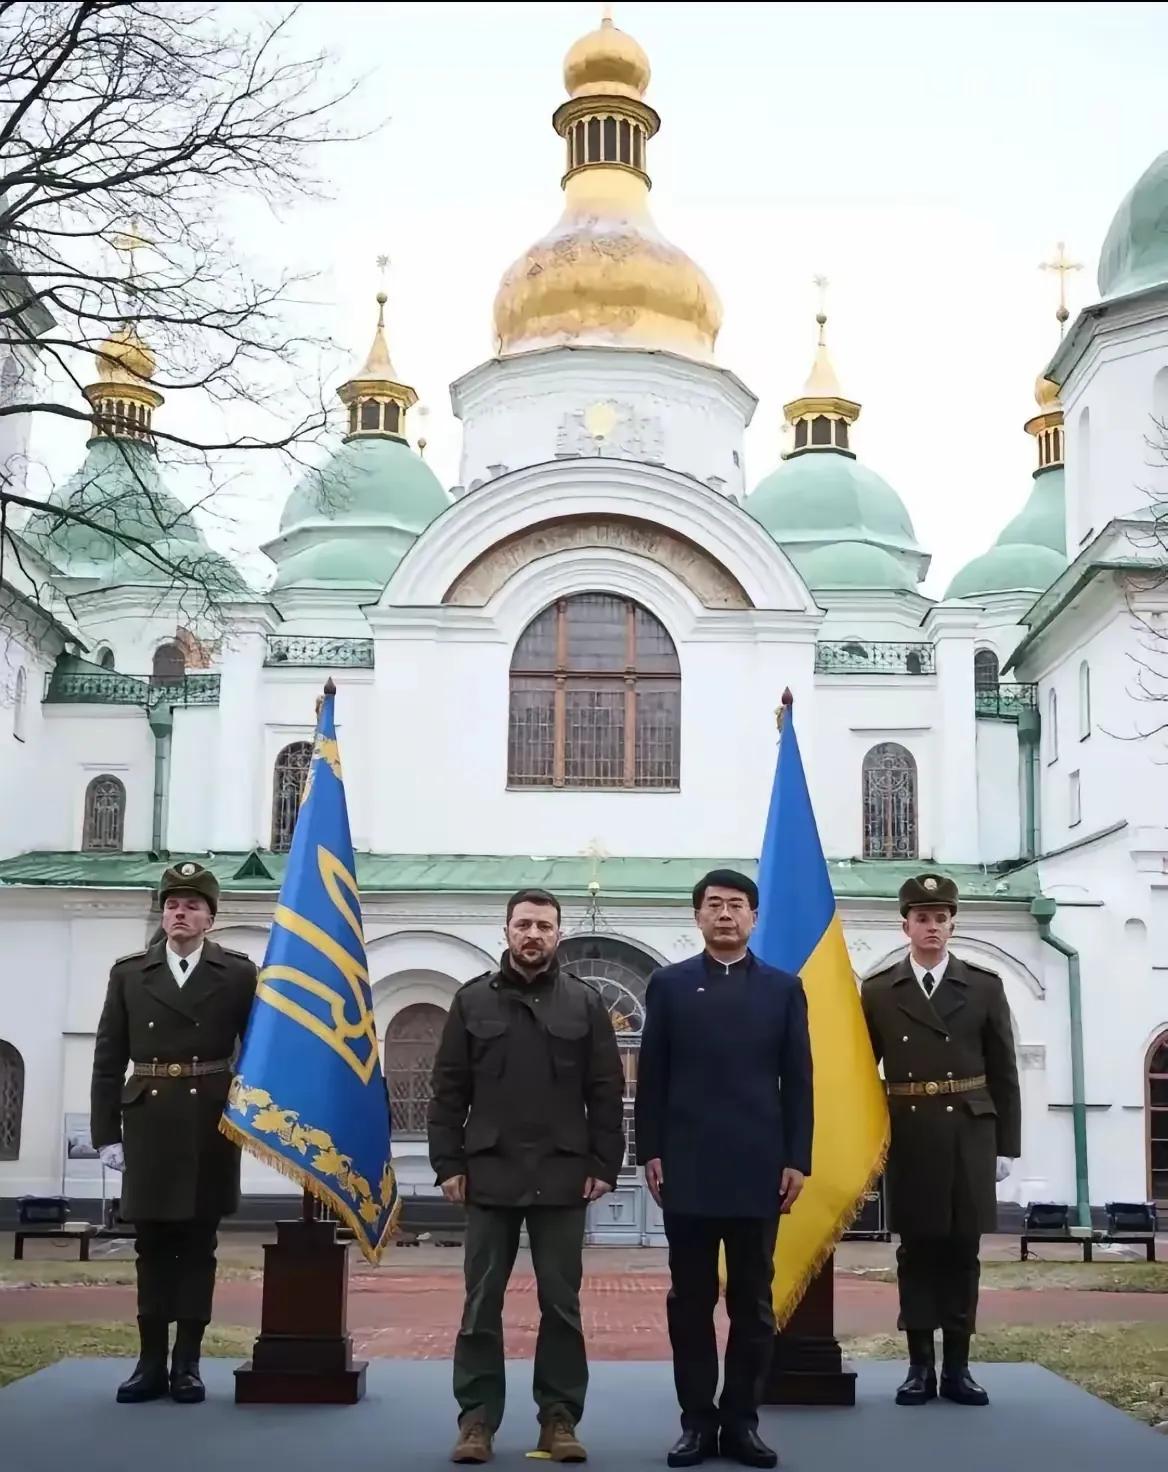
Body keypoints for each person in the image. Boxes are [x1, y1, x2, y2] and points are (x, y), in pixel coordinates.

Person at [428, 888, 625, 1465]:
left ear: (558, 934)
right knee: (480, 1303)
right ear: (506, 932)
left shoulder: (584, 1004)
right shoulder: (471, 1003)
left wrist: (604, 1165)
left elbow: (606, 1091)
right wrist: (447, 1164)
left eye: (543, 925)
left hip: (563, 1176)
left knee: (561, 1306)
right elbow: (448, 1092)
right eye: (523, 925)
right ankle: (477, 1422)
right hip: (488, 1174)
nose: (532, 934)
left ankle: (559, 1420)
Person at [635, 869, 814, 1470]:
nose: (725, 915)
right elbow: (652, 1076)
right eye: (714, 905)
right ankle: (695, 1423)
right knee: (689, 1301)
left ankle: (740, 1422)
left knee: (752, 1304)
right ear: (698, 916)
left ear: (754, 918)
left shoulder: (783, 989)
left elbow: (800, 1083)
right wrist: (649, 1149)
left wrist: (797, 1157)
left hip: (759, 1169)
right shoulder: (669, 985)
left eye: (737, 905)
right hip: (684, 1167)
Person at [90, 861, 257, 1405]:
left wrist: (255, 1120)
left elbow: (256, 1052)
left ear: (211, 917)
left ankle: (188, 1363)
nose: (179, 914)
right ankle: (148, 1364)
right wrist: (106, 1133)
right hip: (149, 1122)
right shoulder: (129, 973)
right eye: (171, 905)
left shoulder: (236, 973)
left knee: (198, 1245)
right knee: (152, 1245)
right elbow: (108, 1058)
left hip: (209, 1119)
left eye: (191, 906)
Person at [861, 872, 1021, 1408]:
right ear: (905, 924)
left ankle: (958, 1368)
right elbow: (864, 1071)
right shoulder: (880, 990)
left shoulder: (983, 985)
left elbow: (1004, 1070)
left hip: (970, 1132)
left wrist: (1006, 1145)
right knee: (916, 1251)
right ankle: (918, 1368)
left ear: (953, 923)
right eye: (922, 918)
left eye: (941, 918)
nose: (932, 927)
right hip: (910, 1131)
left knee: (962, 1252)